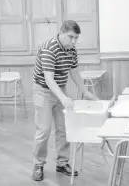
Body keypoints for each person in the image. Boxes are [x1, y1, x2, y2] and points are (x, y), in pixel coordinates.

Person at [32, 20, 97, 181]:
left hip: (60, 89)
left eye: (76, 38)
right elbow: (48, 79)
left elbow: (74, 72)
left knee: (64, 129)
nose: (74, 41)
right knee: (44, 130)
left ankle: (62, 163)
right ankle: (38, 164)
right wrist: (63, 97)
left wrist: (85, 92)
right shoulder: (49, 48)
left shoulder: (71, 49)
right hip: (43, 91)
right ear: (61, 33)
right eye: (71, 37)